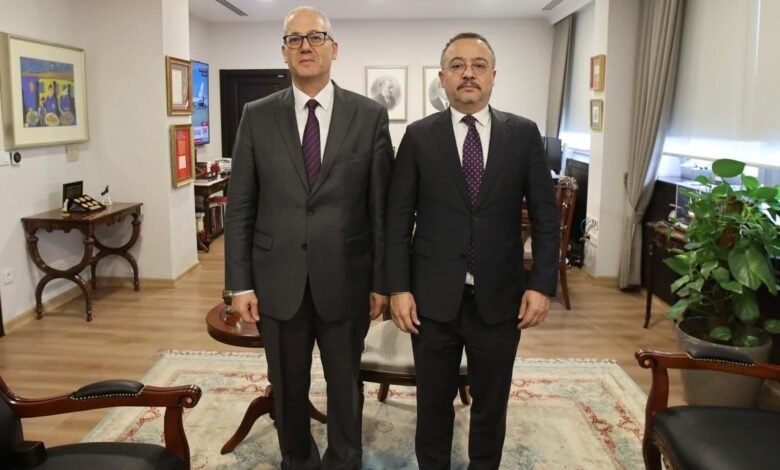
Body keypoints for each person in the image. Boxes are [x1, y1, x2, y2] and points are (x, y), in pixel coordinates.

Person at [224, 6, 393, 469]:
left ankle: (345, 459)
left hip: (347, 278)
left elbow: (380, 209)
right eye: (294, 38)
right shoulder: (256, 116)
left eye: (315, 37)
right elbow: (240, 207)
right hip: (278, 280)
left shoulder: (369, 116)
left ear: (334, 48)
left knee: (345, 384)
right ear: (283, 51)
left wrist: (382, 281)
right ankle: (296, 459)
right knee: (287, 385)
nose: (305, 46)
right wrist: (240, 284)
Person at [385, 32, 560, 469]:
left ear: (493, 76)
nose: (468, 73)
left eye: (479, 65)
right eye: (457, 65)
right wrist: (398, 288)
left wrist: (541, 285)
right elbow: (398, 219)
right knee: (433, 405)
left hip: (500, 298)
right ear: (442, 78)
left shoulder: (523, 134)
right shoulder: (418, 137)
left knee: (490, 406)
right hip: (431, 299)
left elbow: (545, 216)